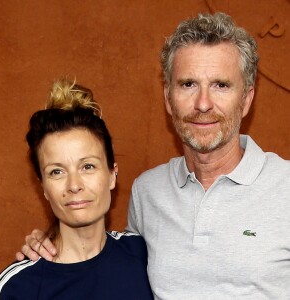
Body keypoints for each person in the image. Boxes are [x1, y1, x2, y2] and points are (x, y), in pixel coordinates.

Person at [16, 12, 290, 299]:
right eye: (188, 84)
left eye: (221, 85)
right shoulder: (148, 192)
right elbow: (111, 266)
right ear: (168, 98)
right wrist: (48, 246)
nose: (203, 103)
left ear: (246, 99)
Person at [0, 79, 153, 299]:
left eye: (88, 166)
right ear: (44, 188)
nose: (74, 185)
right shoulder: (17, 288)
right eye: (57, 171)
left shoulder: (143, 255)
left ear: (112, 174)